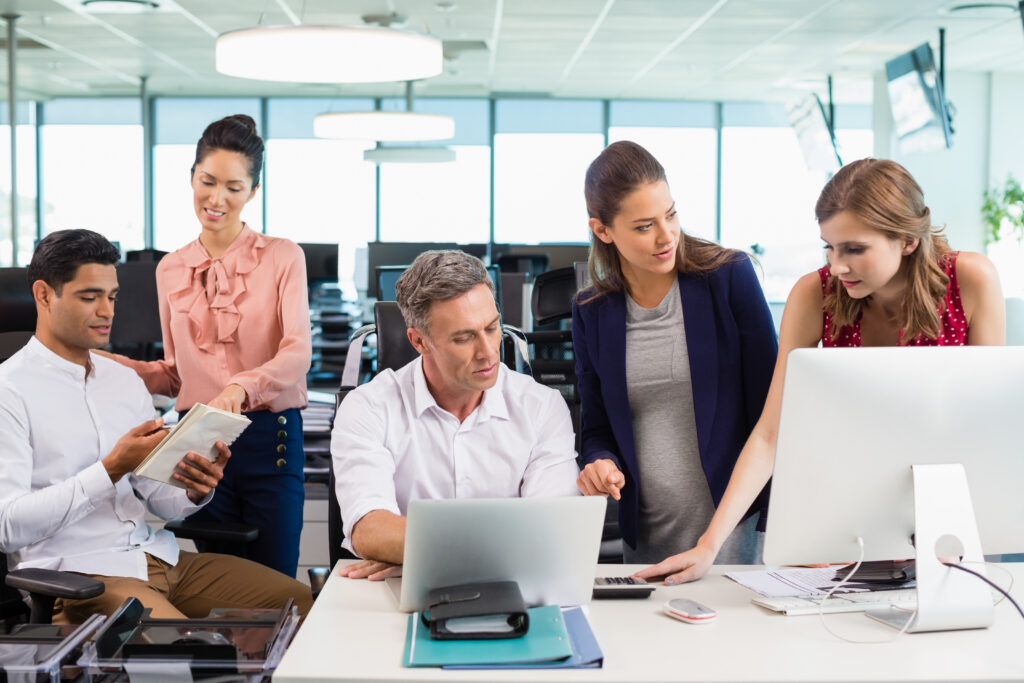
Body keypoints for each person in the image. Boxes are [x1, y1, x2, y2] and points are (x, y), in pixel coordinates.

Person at [634, 157, 1006, 585]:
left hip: (948, 515)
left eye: (854, 249)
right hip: (849, 513)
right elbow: (771, 434)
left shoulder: (970, 279)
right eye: (829, 247)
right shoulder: (815, 294)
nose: (836, 265)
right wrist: (709, 545)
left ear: (906, 240)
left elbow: (984, 429)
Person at [0, 229, 313, 623]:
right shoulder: (9, 391)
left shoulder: (123, 382)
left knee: (309, 609)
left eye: (111, 297)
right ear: (44, 295)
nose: (106, 311)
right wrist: (111, 469)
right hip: (81, 576)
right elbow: (6, 527)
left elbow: (157, 497)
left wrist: (195, 487)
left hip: (160, 559)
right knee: (187, 651)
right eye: (89, 297)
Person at [106, 115, 312, 577]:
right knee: (221, 592)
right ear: (192, 178)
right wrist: (113, 365)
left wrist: (240, 388)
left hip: (269, 439)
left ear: (252, 193)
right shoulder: (170, 270)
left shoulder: (282, 256)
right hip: (197, 444)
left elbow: (298, 352)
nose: (217, 199)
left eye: (234, 188)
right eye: (207, 181)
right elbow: (177, 373)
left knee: (275, 589)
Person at [572, 140, 778, 566]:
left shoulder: (729, 278)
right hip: (645, 543)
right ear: (603, 230)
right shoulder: (592, 311)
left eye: (671, 215)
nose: (667, 236)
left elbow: (773, 417)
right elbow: (596, 429)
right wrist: (599, 462)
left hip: (736, 535)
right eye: (644, 226)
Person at [331, 250, 580, 580]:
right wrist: (506, 545)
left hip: (515, 594)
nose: (489, 352)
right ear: (419, 341)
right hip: (395, 595)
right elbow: (370, 530)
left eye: (492, 328)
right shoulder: (369, 407)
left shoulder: (540, 406)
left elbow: (553, 529)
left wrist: (418, 551)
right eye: (464, 338)